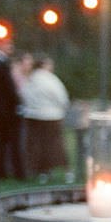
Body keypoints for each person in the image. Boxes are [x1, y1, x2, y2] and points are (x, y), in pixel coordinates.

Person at [19, 54, 70, 182]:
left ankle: (43, 172)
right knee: (55, 145)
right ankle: (66, 170)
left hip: (33, 116)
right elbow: (62, 97)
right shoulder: (51, 79)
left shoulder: (30, 80)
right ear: (44, 65)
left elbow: (24, 96)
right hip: (51, 116)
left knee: (39, 145)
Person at [0, 33, 25, 179]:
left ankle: (2, 171)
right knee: (11, 141)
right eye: (8, 44)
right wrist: (17, 103)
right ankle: (16, 172)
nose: (11, 47)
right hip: (7, 110)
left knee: (2, 142)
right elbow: (8, 88)